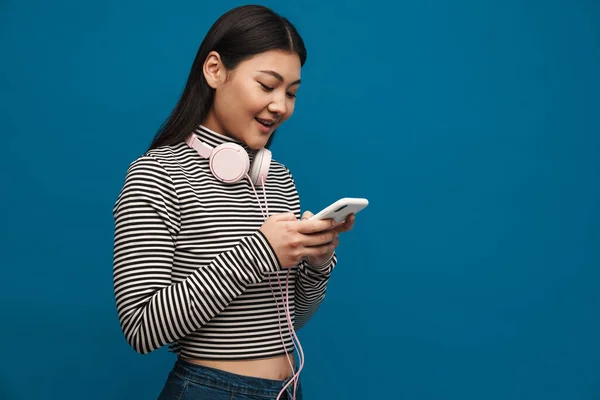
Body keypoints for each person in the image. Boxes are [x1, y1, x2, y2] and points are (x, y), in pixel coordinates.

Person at [111, 5, 356, 400]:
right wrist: (261, 251)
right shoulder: (157, 174)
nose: (281, 105)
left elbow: (292, 320)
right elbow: (142, 328)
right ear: (214, 70)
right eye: (267, 85)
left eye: (291, 93)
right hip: (209, 390)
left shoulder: (276, 178)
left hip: (288, 389)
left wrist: (317, 260)